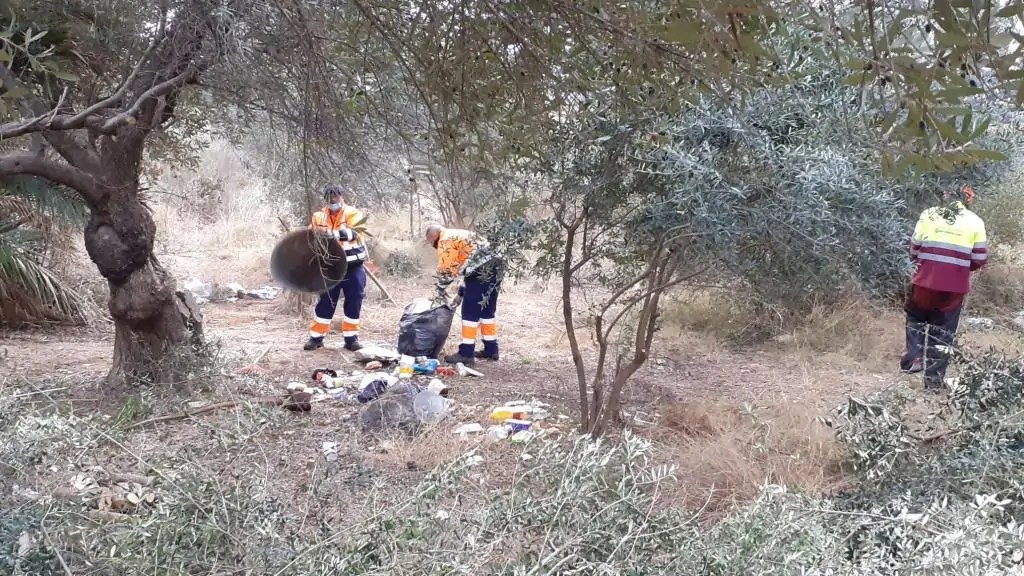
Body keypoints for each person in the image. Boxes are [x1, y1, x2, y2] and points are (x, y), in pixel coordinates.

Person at [901, 184, 987, 391]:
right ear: (967, 200)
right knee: (943, 333)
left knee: (915, 319)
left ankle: (914, 359)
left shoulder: (929, 214)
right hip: (954, 289)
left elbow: (914, 249)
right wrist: (961, 269)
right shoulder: (975, 221)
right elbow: (980, 258)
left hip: (924, 282)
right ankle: (933, 383)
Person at [425, 224, 505, 366]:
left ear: (433, 237)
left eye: (431, 243)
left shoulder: (444, 240)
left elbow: (447, 270)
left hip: (481, 268)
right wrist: (463, 288)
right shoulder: (458, 233)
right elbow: (466, 263)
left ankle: (466, 353)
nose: (433, 247)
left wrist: (439, 293)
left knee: (469, 312)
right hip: (496, 266)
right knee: (486, 310)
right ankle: (491, 349)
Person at [303, 184, 370, 352]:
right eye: (330, 198)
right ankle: (316, 338)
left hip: (353, 267)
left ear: (342, 197)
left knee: (354, 301)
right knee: (325, 302)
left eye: (336, 197)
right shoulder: (318, 216)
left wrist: (330, 235)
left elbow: (355, 232)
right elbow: (312, 237)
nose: (333, 201)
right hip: (330, 269)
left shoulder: (353, 213)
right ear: (325, 200)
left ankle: (351, 339)